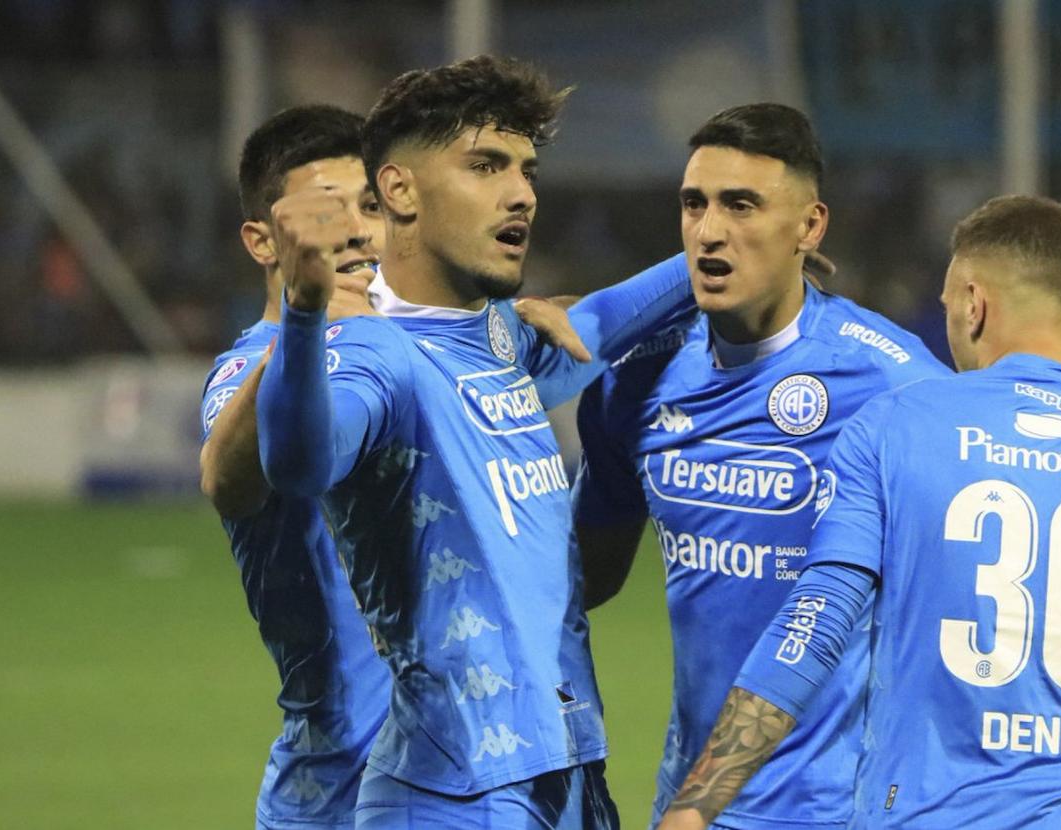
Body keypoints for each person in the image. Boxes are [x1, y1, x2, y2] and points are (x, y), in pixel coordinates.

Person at [658, 195, 1061, 830]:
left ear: (974, 304)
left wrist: (694, 805)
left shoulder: (899, 428)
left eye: (949, 303)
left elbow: (812, 626)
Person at [254, 55, 694, 829]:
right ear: (398, 190)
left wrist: (727, 255)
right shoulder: (372, 351)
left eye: (525, 168)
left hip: (566, 771)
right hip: (453, 791)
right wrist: (302, 312)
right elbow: (300, 461)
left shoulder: (500, 331)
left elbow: (599, 325)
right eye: (485, 165)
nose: (521, 191)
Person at [571, 103, 951, 829]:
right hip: (692, 804)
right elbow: (590, 570)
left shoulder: (893, 383)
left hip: (841, 808)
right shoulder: (636, 378)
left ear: (810, 227)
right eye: (695, 204)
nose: (710, 231)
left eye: (742, 205)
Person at [198, 104, 392, 830]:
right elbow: (229, 478)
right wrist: (306, 322)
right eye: (321, 211)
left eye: (368, 205)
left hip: (454, 789)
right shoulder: (245, 371)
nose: (353, 229)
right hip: (338, 795)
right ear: (262, 239)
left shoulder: (399, 351)